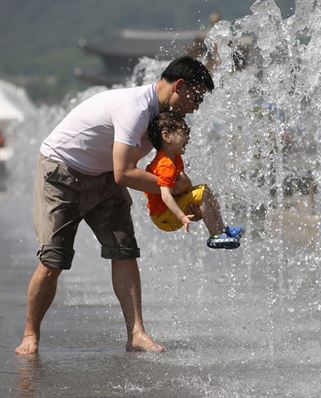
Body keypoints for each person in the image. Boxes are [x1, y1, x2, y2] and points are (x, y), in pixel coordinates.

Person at [16, 56, 213, 355]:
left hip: (105, 175)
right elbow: (126, 174)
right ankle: (30, 334)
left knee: (124, 250)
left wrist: (184, 201)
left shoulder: (165, 119)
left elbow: (161, 171)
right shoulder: (134, 109)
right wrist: (172, 189)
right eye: (196, 96)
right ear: (179, 86)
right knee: (53, 260)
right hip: (62, 172)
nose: (197, 105)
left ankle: (136, 334)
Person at [144, 112, 243, 248]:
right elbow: (165, 196)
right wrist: (182, 217)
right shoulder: (165, 164)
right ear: (167, 136)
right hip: (162, 216)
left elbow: (185, 186)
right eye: (184, 132)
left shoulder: (176, 159)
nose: (188, 138)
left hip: (168, 211)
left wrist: (196, 204)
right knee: (202, 192)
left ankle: (222, 229)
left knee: (204, 190)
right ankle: (215, 236)